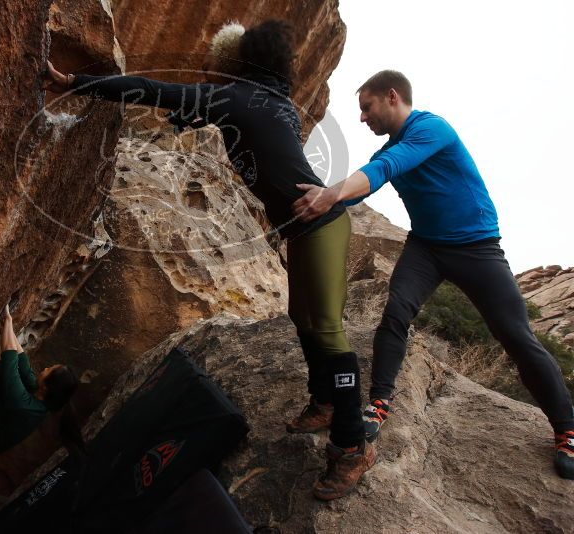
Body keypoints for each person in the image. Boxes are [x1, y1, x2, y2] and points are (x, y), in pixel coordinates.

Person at [43, 19, 374, 500]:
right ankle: (324, 400)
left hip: (322, 226)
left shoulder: (235, 99)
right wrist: (200, 113)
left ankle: (352, 444)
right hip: (306, 227)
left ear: (235, 65)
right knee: (301, 318)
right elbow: (239, 119)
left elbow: (148, 89)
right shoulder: (273, 100)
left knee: (325, 328)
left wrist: (77, 83)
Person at [292, 69, 574, 480]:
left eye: (366, 108)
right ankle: (380, 402)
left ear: (392, 97)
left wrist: (332, 193)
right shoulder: (389, 149)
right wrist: (317, 197)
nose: (362, 118)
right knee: (396, 313)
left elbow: (390, 165)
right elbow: (368, 182)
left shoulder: (431, 129)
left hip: (476, 248)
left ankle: (566, 428)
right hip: (425, 247)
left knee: (516, 336)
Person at [0, 305, 83, 463]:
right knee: (3, 375)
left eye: (49, 370)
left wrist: (6, 321)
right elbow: (22, 360)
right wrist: (10, 322)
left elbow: (9, 356)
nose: (45, 368)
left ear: (46, 387)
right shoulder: (42, 398)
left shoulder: (24, 406)